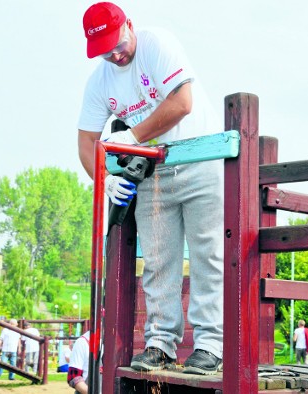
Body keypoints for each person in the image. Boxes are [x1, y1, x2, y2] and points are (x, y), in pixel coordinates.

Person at [77, 2, 224, 375]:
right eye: (104, 50)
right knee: (158, 261)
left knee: (209, 255)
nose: (115, 52)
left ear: (130, 25)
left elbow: (182, 102)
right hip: (154, 173)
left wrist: (131, 137)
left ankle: (210, 345)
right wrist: (104, 178)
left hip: (199, 157)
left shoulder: (157, 44)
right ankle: (160, 343)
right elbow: (87, 141)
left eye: (117, 41)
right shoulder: (100, 81)